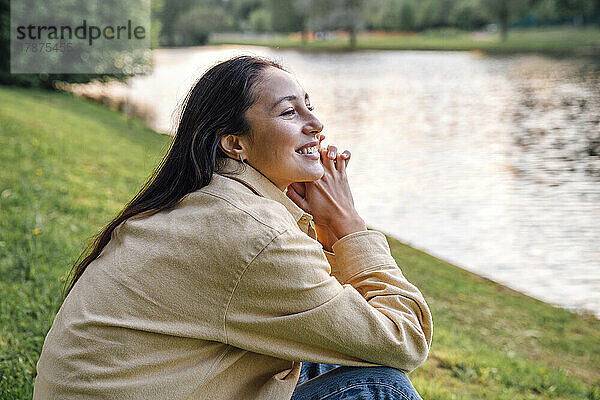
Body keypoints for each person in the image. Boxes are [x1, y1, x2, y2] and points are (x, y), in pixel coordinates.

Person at [33, 55, 433, 399]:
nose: (316, 123)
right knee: (382, 385)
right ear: (234, 143)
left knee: (317, 351)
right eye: (290, 112)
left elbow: (325, 308)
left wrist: (326, 232)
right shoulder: (253, 231)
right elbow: (403, 339)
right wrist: (348, 227)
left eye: (308, 106)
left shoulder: (213, 200)